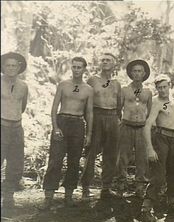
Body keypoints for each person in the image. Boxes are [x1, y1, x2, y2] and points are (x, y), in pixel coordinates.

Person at [42, 57, 93, 208]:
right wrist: (56, 127)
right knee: (55, 160)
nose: (76, 70)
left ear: (84, 69)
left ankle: (69, 196)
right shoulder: (63, 85)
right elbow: (54, 108)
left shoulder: (88, 89)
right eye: (74, 67)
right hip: (62, 121)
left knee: (74, 161)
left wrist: (89, 134)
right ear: (71, 68)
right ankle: (48, 197)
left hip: (78, 124)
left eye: (79, 67)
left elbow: (89, 113)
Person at [140, 74, 174, 222]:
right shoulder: (156, 102)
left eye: (165, 87)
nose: (162, 90)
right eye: (159, 88)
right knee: (158, 175)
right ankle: (146, 209)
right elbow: (147, 125)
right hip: (160, 138)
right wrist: (149, 148)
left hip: (173, 139)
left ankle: (171, 203)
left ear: (169, 86)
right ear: (156, 89)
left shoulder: (171, 96)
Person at [80, 53, 121, 199]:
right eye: (103, 60)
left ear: (114, 64)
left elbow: (119, 105)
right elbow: (86, 102)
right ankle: (85, 187)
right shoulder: (93, 80)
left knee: (110, 154)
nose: (105, 62)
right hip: (96, 116)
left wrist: (117, 120)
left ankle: (106, 188)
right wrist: (88, 122)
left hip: (112, 117)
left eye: (108, 60)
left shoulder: (116, 83)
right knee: (91, 152)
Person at [117, 59, 153, 197]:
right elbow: (118, 109)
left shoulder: (148, 92)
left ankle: (140, 187)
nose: (137, 74)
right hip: (126, 126)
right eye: (134, 71)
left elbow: (149, 112)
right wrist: (123, 122)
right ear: (131, 73)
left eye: (140, 71)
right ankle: (121, 186)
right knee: (123, 157)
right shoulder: (124, 90)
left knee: (141, 158)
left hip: (141, 128)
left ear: (144, 74)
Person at [1, 52, 28, 208]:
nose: (11, 68)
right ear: (3, 67)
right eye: (8, 65)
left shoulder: (23, 86)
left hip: (16, 128)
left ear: (19, 67)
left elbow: (22, 107)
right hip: (1, 127)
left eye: (14, 65)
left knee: (15, 164)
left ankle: (8, 197)